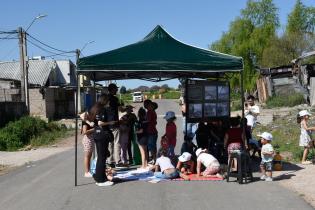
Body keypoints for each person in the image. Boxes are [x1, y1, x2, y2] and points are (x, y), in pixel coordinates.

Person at [91, 95, 117, 187]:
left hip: (97, 134)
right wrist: (111, 122)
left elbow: (93, 122)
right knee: (102, 158)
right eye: (108, 101)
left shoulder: (95, 109)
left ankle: (101, 177)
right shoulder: (102, 109)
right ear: (105, 101)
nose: (109, 103)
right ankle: (101, 180)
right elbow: (101, 123)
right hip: (102, 135)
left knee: (101, 157)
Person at [107, 83, 125, 167]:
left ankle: (110, 161)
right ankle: (118, 161)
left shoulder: (105, 99)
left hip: (106, 124)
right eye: (116, 89)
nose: (117, 90)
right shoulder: (114, 99)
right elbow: (121, 110)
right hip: (114, 123)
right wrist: (127, 108)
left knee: (110, 143)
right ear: (112, 89)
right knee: (116, 143)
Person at [80, 111, 95, 178]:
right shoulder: (85, 122)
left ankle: (88, 171)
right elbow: (84, 132)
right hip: (87, 139)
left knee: (89, 156)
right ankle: (86, 172)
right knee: (87, 156)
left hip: (90, 139)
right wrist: (94, 129)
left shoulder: (89, 122)